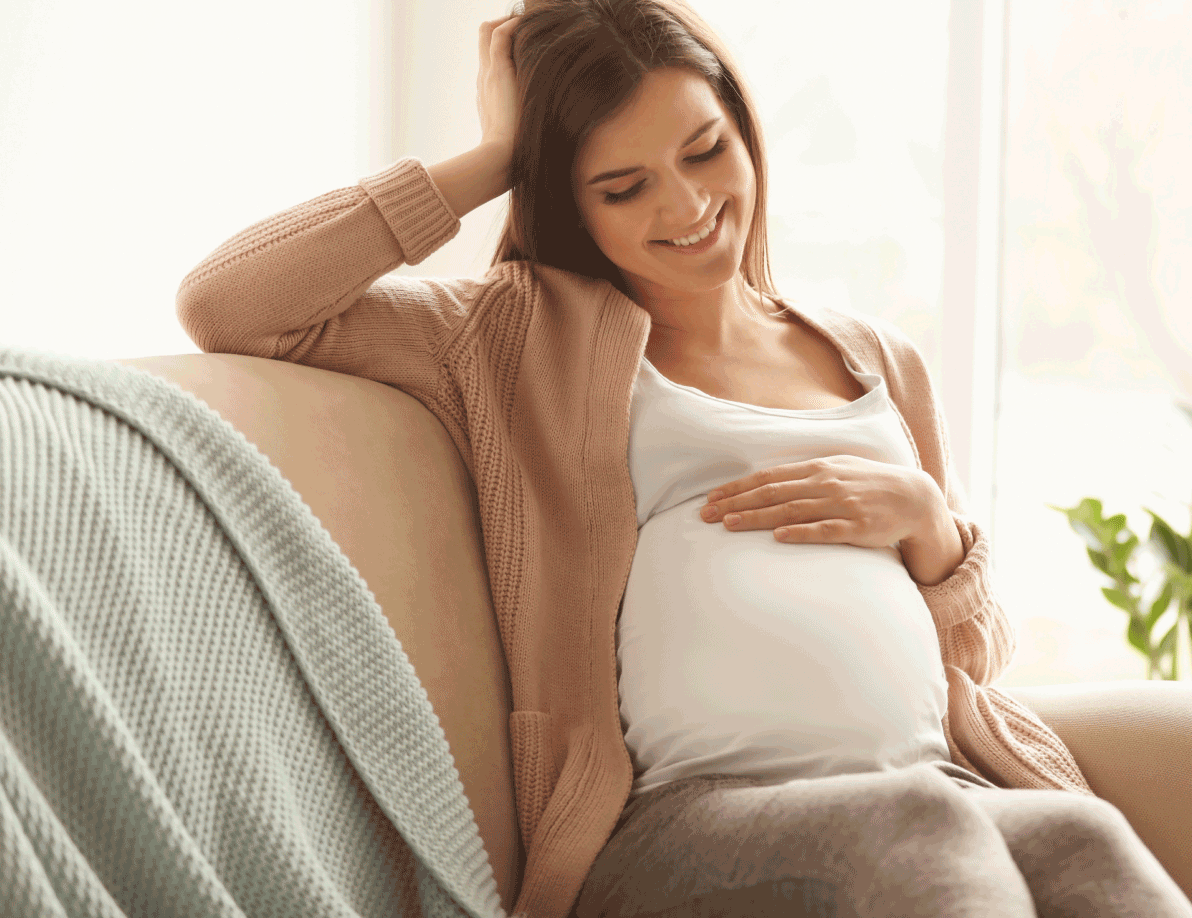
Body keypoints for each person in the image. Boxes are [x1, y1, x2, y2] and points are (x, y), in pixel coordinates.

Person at [175, 1, 1192, 915]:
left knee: (1080, 831)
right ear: (570, 202)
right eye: (624, 187)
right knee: (913, 833)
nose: (684, 206)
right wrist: (496, 155)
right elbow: (232, 304)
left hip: (936, 778)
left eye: (705, 151)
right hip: (686, 822)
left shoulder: (882, 361)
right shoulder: (518, 337)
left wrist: (928, 525)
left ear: (745, 129)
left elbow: (978, 656)